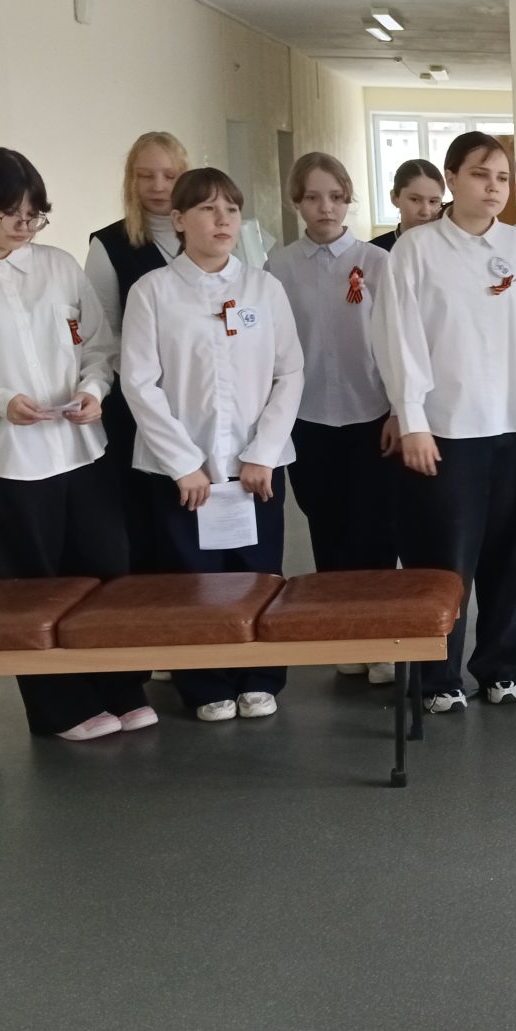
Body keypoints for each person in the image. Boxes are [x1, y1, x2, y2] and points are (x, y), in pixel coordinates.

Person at [0, 146, 152, 742]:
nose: (25, 226)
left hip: (82, 448)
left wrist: (93, 390)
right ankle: (59, 708)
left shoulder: (59, 266)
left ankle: (120, 689)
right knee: (29, 588)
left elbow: (98, 346)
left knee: (105, 571)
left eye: (35, 216)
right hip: (6, 461)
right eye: (12, 215)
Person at [370, 132, 516, 710]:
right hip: (446, 430)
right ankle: (438, 678)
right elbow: (398, 338)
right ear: (452, 179)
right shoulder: (416, 250)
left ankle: (502, 667)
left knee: (514, 555)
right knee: (443, 559)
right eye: (481, 175)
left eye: (503, 178)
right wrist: (411, 418)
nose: (493, 188)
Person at [121, 168, 303, 723]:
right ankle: (203, 682)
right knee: (192, 579)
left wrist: (262, 453)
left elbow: (289, 372)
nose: (222, 220)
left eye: (231, 209)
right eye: (207, 209)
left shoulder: (263, 289)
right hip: (183, 472)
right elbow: (139, 383)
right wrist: (184, 464)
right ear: (178, 220)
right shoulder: (153, 291)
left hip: (255, 467)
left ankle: (258, 676)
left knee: (257, 572)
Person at [265, 152, 398, 687]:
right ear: (296, 202)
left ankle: (380, 637)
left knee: (376, 529)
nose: (326, 207)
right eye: (314, 197)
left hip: (371, 414)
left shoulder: (376, 261)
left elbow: (395, 343)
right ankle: (346, 635)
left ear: (349, 201)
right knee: (327, 528)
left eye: (337, 197)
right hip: (308, 418)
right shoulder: (278, 267)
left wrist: (398, 409)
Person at [84, 131, 188, 575]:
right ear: (131, 181)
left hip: (197, 398)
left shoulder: (209, 236)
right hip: (136, 406)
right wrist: (144, 388)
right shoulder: (108, 246)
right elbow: (103, 335)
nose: (158, 186)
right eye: (146, 176)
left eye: (169, 175)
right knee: (145, 517)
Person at [370, 158, 445, 251]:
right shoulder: (373, 252)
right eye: (415, 199)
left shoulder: (451, 249)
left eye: (433, 201)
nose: (425, 212)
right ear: (394, 198)